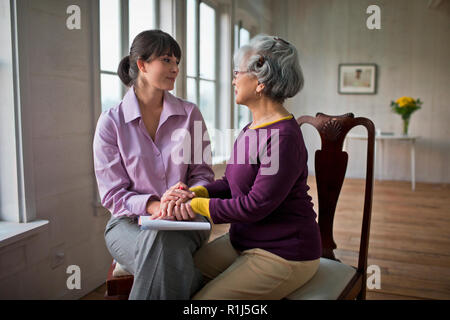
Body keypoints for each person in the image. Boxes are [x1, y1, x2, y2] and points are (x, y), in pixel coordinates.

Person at [155, 34, 322, 299]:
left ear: (260, 82)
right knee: (177, 277)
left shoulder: (283, 138)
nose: (233, 80)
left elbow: (254, 205)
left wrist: (192, 205)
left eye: (237, 72)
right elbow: (230, 185)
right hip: (243, 241)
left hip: (284, 252)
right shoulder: (251, 129)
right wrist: (195, 193)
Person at [93, 30, 215, 300]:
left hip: (187, 218)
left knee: (161, 242)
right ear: (142, 65)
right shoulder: (111, 123)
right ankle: (195, 282)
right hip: (127, 223)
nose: (175, 68)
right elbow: (112, 194)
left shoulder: (190, 114)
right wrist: (155, 206)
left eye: (176, 61)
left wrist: (186, 195)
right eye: (167, 60)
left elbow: (203, 174)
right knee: (160, 243)